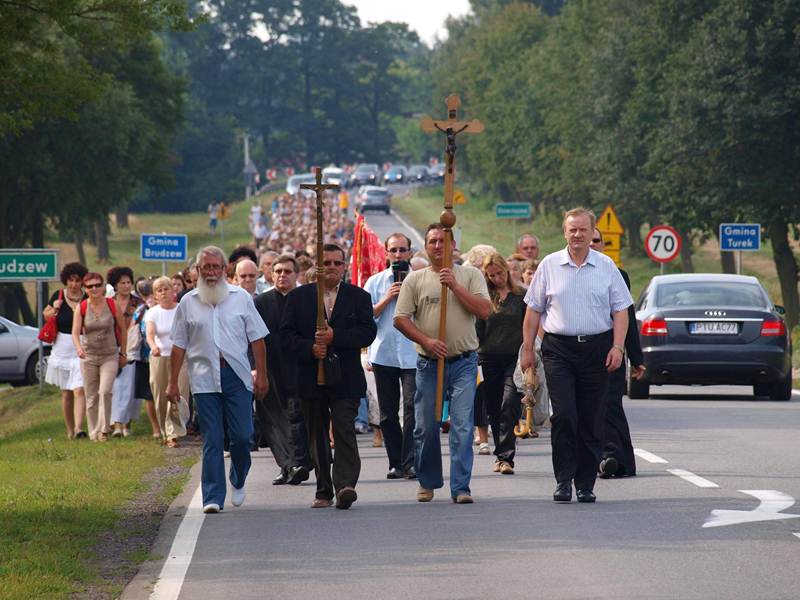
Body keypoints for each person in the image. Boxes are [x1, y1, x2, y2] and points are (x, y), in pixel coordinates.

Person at [520, 208, 632, 504]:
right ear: (564, 232)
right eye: (572, 230)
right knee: (565, 414)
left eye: (583, 230)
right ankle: (563, 480)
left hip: (597, 348)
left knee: (591, 417)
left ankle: (585, 483)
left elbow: (621, 310)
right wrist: (528, 349)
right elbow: (534, 310)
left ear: (592, 231)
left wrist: (618, 347)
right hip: (559, 349)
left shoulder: (606, 267)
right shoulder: (549, 265)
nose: (578, 235)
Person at [394, 224, 492, 504]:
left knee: (462, 425)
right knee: (426, 426)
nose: (438, 246)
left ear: (452, 245)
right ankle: (428, 481)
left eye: (443, 241)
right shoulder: (416, 279)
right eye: (433, 241)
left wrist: (455, 287)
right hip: (428, 362)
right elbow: (400, 319)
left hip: (463, 362)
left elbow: (484, 310)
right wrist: (426, 340)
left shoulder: (470, 275)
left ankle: (461, 487)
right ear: (426, 245)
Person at [168, 246, 269, 514]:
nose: (211, 273)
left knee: (242, 435)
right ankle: (212, 495)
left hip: (237, 376)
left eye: (215, 267)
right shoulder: (188, 302)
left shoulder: (241, 298)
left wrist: (262, 375)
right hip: (203, 378)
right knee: (212, 438)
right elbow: (178, 345)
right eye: (206, 268)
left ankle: (238, 477)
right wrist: (171, 383)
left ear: (225, 270)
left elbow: (257, 339)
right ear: (198, 271)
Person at [281, 243, 377, 509]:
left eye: (337, 263)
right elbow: (285, 337)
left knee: (344, 428)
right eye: (327, 263)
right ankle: (323, 489)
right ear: (317, 267)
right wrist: (309, 348)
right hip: (311, 377)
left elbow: (368, 332)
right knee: (317, 434)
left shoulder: (358, 297)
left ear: (344, 266)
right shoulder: (298, 298)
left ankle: (345, 484)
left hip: (345, 377)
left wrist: (337, 337)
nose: (332, 268)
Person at [589, 229, 646, 478]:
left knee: (611, 405)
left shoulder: (616, 274)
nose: (591, 244)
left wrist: (636, 356)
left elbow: (628, 317)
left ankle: (615, 458)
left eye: (596, 240)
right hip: (577, 352)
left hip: (612, 350)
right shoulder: (563, 271)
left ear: (603, 244)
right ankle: (594, 457)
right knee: (585, 409)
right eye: (586, 239)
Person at [364, 233, 418, 480]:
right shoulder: (375, 282)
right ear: (386, 253)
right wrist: (387, 298)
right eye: (393, 250)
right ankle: (395, 461)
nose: (398, 255)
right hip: (384, 353)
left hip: (413, 353)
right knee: (387, 412)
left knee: (411, 408)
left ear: (410, 252)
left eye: (402, 250)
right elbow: (366, 318)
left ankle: (410, 462)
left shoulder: (419, 279)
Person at [254, 255, 312, 486]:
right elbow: (253, 337)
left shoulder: (307, 299)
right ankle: (287, 465)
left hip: (299, 367)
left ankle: (298, 462)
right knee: (270, 419)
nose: (281, 275)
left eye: (287, 271)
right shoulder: (261, 302)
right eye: (277, 271)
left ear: (296, 274)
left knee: (296, 416)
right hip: (270, 368)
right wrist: (255, 369)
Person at [476, 253, 526, 475]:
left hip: (514, 359)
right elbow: (477, 328)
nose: (497, 278)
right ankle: (500, 453)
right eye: (492, 275)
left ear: (507, 270)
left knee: (509, 404)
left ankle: (506, 457)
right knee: (494, 408)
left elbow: (529, 326)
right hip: (489, 358)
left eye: (500, 273)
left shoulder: (521, 296)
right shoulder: (485, 297)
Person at [72, 272, 127, 442]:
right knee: (91, 396)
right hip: (89, 356)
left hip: (109, 355)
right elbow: (75, 332)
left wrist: (123, 353)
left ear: (103, 287)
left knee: (104, 391)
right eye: (90, 286)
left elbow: (123, 329)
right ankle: (93, 432)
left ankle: (104, 431)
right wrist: (79, 348)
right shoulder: (81, 307)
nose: (94, 289)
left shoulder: (112, 304)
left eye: (97, 285)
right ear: (85, 289)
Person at [44, 262, 88, 439]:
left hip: (81, 345)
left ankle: (78, 428)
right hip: (62, 346)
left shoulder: (87, 297)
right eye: (71, 280)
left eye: (78, 280)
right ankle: (69, 429)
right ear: (66, 280)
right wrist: (54, 308)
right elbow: (45, 314)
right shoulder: (58, 295)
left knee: (79, 388)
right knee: (66, 392)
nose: (74, 284)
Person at [146, 276, 190, 448]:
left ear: (174, 291)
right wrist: (153, 346)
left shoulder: (181, 310)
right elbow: (150, 333)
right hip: (160, 356)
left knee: (180, 393)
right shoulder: (153, 312)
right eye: (159, 290)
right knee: (161, 395)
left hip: (181, 357)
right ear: (155, 295)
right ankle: (165, 431)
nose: (163, 293)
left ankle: (174, 431)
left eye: (166, 288)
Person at [108, 266, 143, 438]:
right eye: (122, 283)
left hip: (133, 349)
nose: (126, 286)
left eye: (129, 282)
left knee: (130, 389)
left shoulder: (139, 304)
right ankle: (116, 424)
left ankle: (127, 423)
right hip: (111, 348)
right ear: (115, 285)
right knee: (115, 388)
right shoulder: (108, 302)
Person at [131, 279, 162, 439]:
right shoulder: (141, 311)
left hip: (164, 356)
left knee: (164, 393)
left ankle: (167, 426)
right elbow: (136, 329)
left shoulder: (166, 308)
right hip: (144, 357)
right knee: (149, 395)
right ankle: (156, 428)